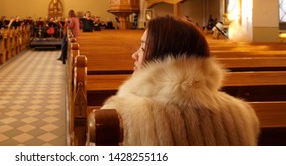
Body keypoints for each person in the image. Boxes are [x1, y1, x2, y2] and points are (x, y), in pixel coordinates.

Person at [101, 15, 259, 145]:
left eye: (143, 47)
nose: (134, 55)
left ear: (160, 56)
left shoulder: (120, 117)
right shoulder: (241, 115)